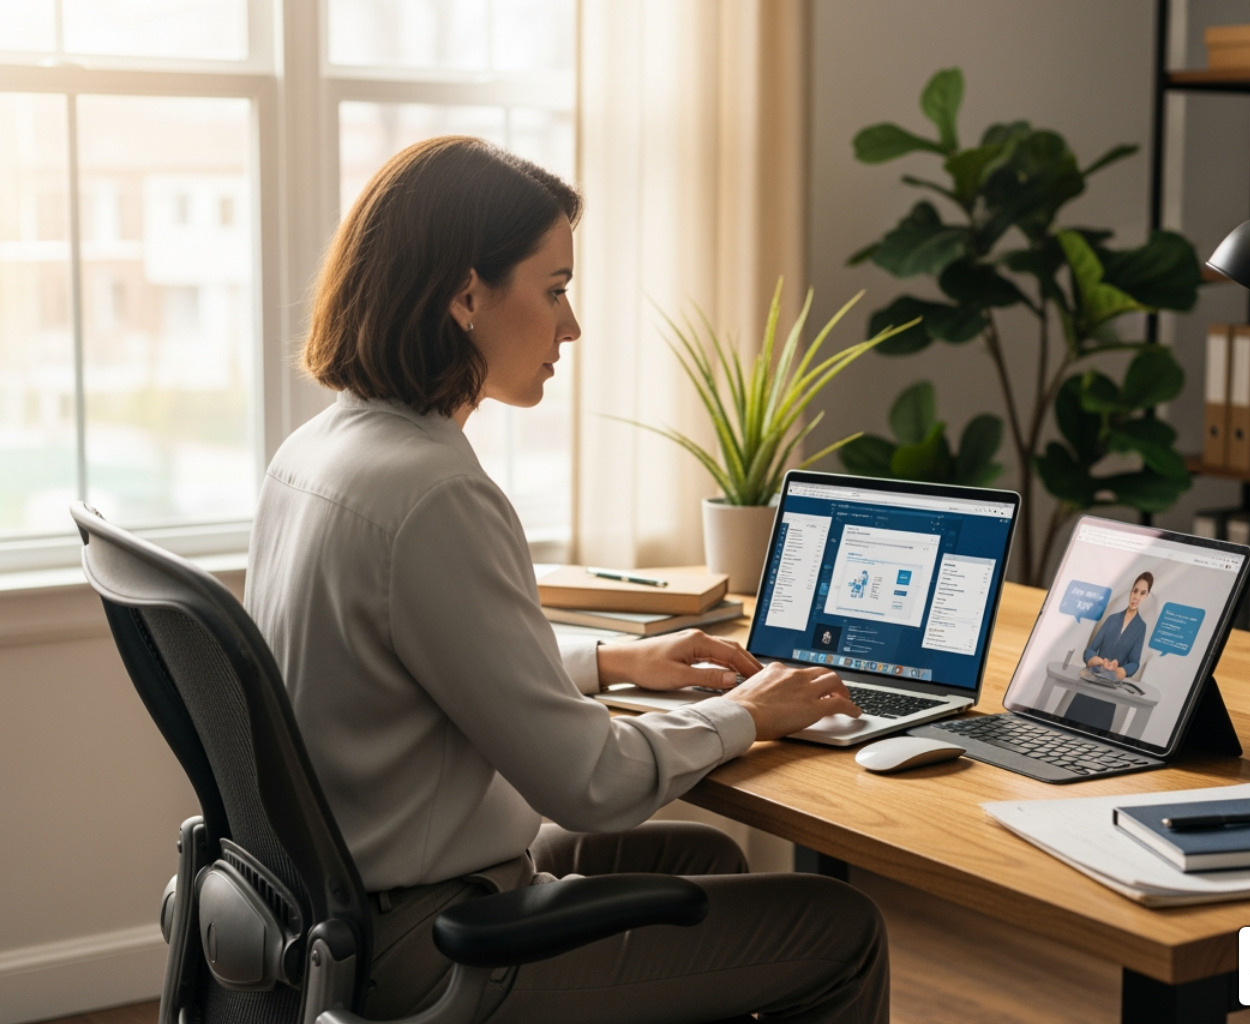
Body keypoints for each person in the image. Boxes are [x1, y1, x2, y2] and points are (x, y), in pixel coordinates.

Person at [246, 136, 889, 1024]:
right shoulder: (434, 493)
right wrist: (749, 712)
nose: (572, 325)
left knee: (703, 862)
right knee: (839, 928)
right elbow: (589, 783)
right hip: (425, 943)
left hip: (337, 908)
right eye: (554, 290)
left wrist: (610, 661)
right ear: (466, 296)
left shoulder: (320, 450)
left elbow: (430, 652)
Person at [1065, 571, 1154, 731]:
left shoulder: (1141, 627)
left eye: (1142, 593)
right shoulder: (1112, 618)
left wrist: (1121, 670)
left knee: (1097, 734)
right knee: (1069, 726)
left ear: (1146, 596)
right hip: (1092, 681)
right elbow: (1090, 650)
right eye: (1135, 591)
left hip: (1111, 689)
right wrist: (1096, 660)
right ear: (1131, 591)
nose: (1136, 597)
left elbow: (1134, 662)